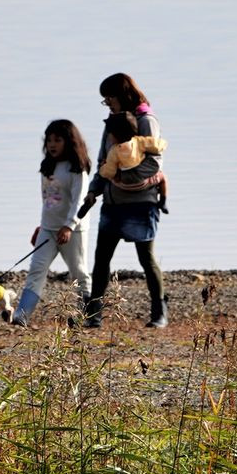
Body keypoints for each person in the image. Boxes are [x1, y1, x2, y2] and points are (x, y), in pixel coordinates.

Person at [80, 70, 170, 327]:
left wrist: (123, 178)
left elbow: (154, 163)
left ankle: (159, 311)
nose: (107, 103)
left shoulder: (146, 120)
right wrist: (94, 190)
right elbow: (104, 162)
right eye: (105, 99)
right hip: (112, 203)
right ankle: (94, 315)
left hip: (141, 203)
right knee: (101, 259)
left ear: (123, 95)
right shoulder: (112, 122)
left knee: (146, 259)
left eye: (109, 98)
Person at [8, 118, 88, 324]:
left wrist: (69, 225)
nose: (52, 144)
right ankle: (21, 316)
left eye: (57, 140)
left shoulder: (77, 169)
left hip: (73, 230)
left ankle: (86, 315)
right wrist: (42, 225)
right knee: (36, 269)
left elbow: (79, 201)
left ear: (69, 142)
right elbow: (47, 200)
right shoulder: (48, 166)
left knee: (78, 272)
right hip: (48, 229)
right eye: (49, 140)